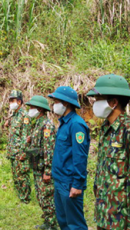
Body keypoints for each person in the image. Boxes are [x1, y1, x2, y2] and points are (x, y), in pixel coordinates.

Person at [86, 74, 130, 230]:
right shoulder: (106, 128)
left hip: (121, 219)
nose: (95, 104)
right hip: (104, 214)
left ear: (113, 103)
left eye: (98, 100)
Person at [48, 86, 90, 230]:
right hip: (60, 180)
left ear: (65, 103)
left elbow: (80, 156)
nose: (54, 105)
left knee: (75, 224)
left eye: (56, 101)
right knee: (63, 221)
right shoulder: (63, 123)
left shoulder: (76, 125)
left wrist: (77, 184)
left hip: (69, 182)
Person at [21, 95, 57, 230]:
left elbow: (49, 150)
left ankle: (52, 224)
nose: (30, 109)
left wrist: (48, 171)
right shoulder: (38, 123)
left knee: (47, 197)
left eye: (32, 107)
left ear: (40, 109)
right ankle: (48, 221)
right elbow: (40, 143)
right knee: (41, 197)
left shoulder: (47, 125)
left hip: (43, 169)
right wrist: (31, 139)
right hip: (37, 167)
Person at [4, 90, 31, 203]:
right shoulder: (14, 114)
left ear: (19, 101)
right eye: (9, 100)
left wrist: (23, 153)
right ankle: (20, 195)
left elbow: (26, 136)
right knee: (16, 176)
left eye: (12, 100)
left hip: (19, 152)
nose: (10, 103)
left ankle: (25, 198)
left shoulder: (24, 115)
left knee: (22, 176)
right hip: (12, 151)